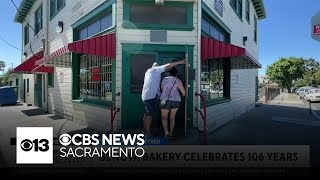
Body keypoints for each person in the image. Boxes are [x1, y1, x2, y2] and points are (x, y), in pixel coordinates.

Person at [142, 60, 185, 137]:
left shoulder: (154, 75)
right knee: (151, 114)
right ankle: (148, 133)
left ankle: (162, 132)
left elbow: (161, 88)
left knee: (148, 114)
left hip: (159, 99)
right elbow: (168, 65)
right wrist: (180, 62)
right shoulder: (155, 70)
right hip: (154, 97)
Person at [159, 67, 186, 139]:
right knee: (172, 118)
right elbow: (184, 92)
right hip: (175, 100)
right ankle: (171, 134)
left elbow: (161, 89)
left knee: (164, 118)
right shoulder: (178, 80)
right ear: (176, 74)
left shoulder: (164, 79)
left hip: (164, 100)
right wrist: (181, 94)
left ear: (169, 73)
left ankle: (166, 132)